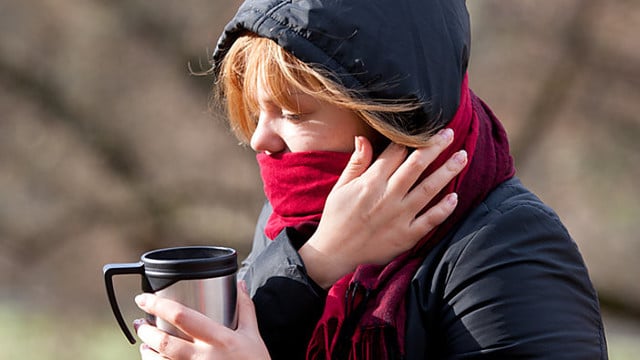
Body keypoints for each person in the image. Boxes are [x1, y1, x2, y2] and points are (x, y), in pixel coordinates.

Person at [132, 0, 608, 359]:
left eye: (293, 113)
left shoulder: (508, 249)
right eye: (257, 112)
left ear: (387, 116)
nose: (260, 140)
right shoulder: (296, 222)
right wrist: (318, 262)